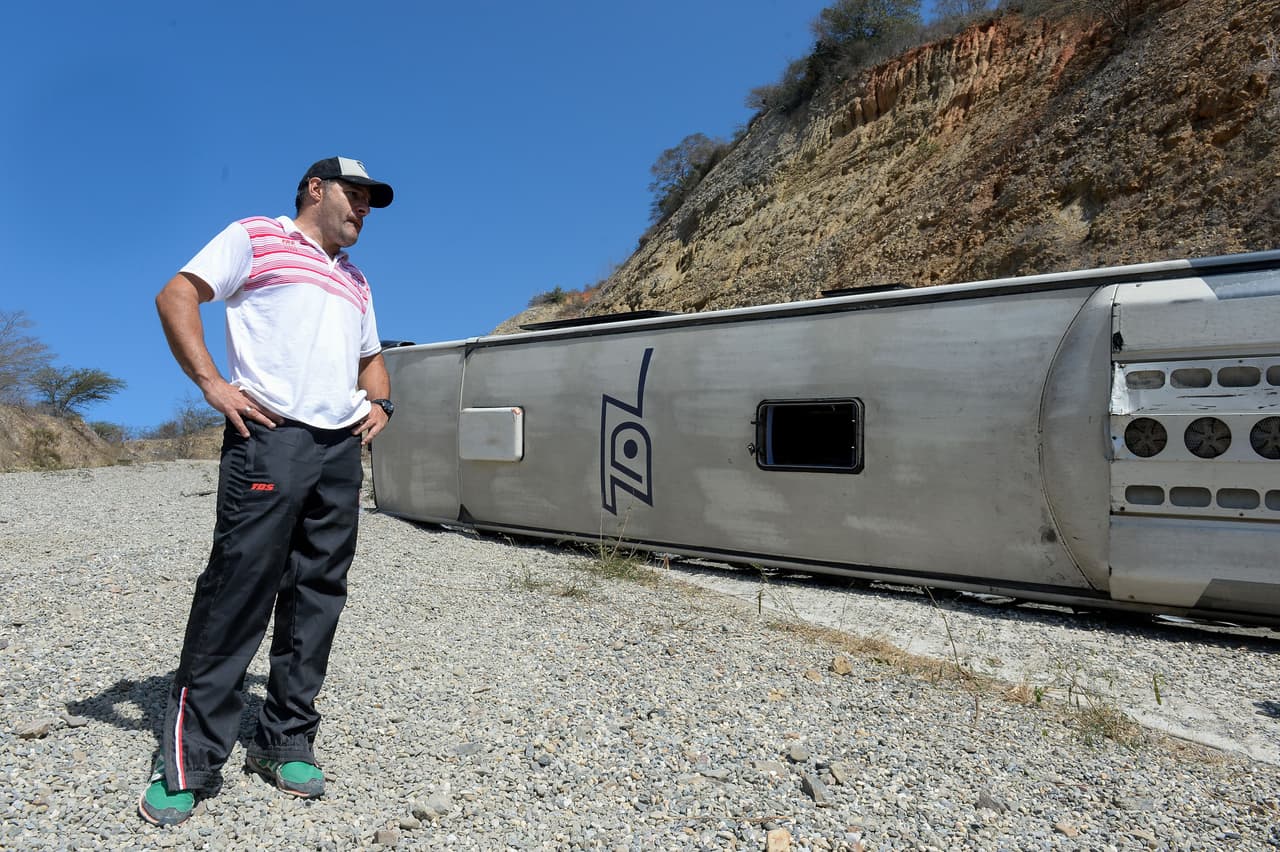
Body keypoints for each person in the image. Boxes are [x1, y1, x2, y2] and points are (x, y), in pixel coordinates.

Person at [139, 157, 397, 826]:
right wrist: (212, 384)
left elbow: (372, 357)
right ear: (317, 188)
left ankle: (285, 740)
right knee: (239, 587)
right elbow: (177, 293)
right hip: (270, 435)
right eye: (356, 194)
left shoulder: (356, 280)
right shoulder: (257, 236)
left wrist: (383, 405)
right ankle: (189, 759)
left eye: (372, 201)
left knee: (318, 594)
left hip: (340, 448)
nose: (363, 208)